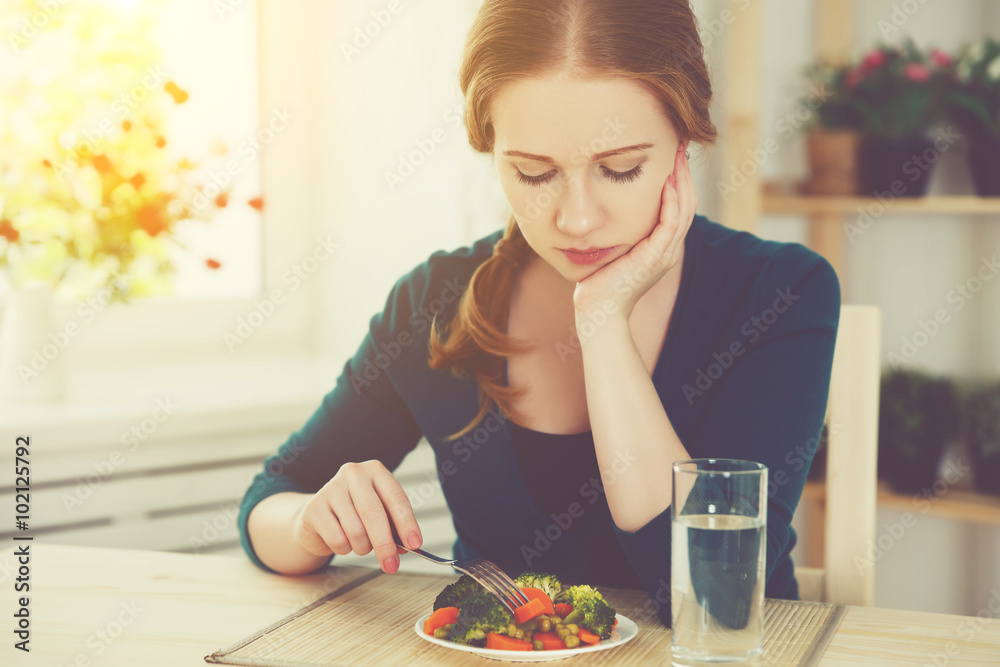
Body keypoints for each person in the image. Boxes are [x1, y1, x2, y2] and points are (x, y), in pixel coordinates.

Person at [238, 0, 840, 629]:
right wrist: (312, 522)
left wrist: (603, 322)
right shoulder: (436, 301)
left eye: (620, 169)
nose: (576, 219)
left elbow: (714, 597)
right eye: (533, 173)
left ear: (682, 146)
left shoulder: (779, 292)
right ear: (492, 152)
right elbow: (269, 503)